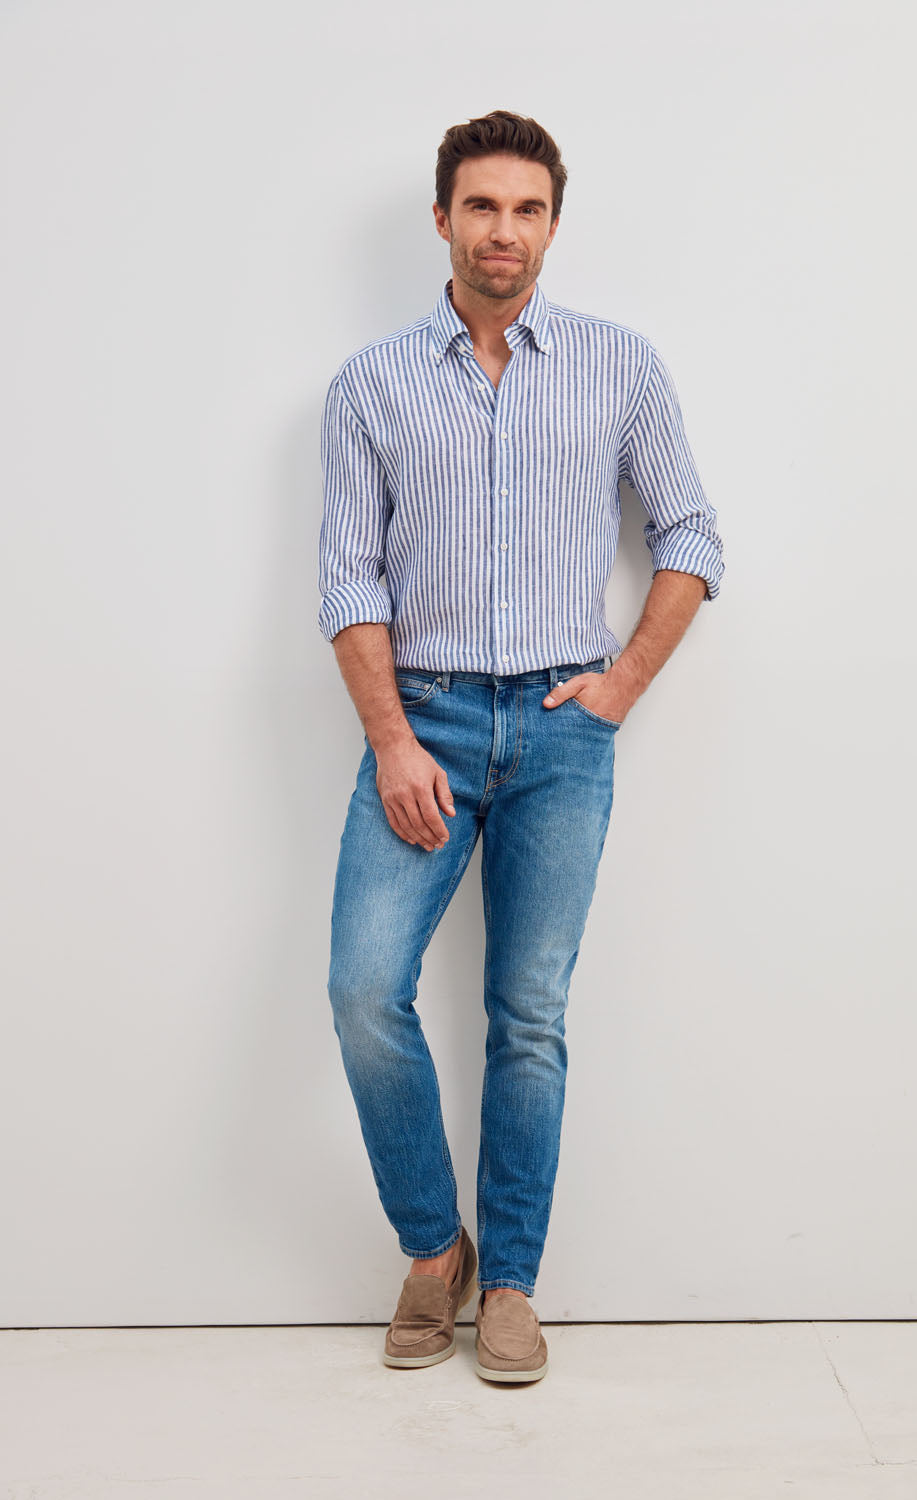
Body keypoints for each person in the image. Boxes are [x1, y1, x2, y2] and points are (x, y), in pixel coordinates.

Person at [317, 109, 724, 1384]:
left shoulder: (619, 366)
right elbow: (349, 578)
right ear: (443, 219)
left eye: (527, 209)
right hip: (424, 721)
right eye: (483, 207)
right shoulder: (371, 385)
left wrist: (618, 688)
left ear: (553, 224)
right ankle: (431, 1247)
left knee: (528, 1017)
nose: (505, 230)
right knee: (362, 989)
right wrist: (393, 739)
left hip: (560, 731)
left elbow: (691, 535)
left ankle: (509, 1284)